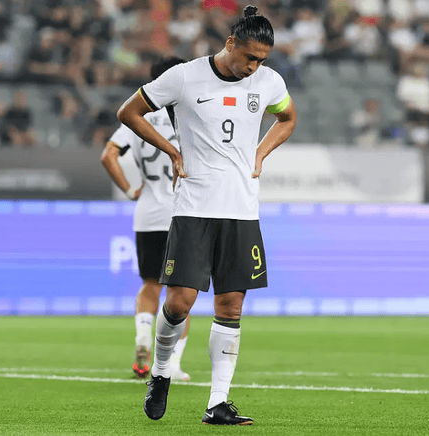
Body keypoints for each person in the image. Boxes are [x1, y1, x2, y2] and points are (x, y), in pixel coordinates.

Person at [117, 5, 297, 426]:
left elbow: (288, 118)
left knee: (231, 305)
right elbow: (128, 112)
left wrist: (261, 153)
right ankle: (161, 371)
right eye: (249, 57)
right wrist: (172, 150)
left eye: (262, 60)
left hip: (242, 210)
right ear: (230, 42)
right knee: (179, 303)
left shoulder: (269, 82)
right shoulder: (184, 76)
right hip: (194, 208)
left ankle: (218, 403)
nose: (253, 67)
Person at [101, 56, 191, 381]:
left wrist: (129, 190)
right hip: (183, 214)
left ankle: (143, 339)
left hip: (148, 212)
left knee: (150, 284)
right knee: (182, 290)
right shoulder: (189, 114)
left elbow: (108, 155)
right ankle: (172, 364)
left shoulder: (139, 117)